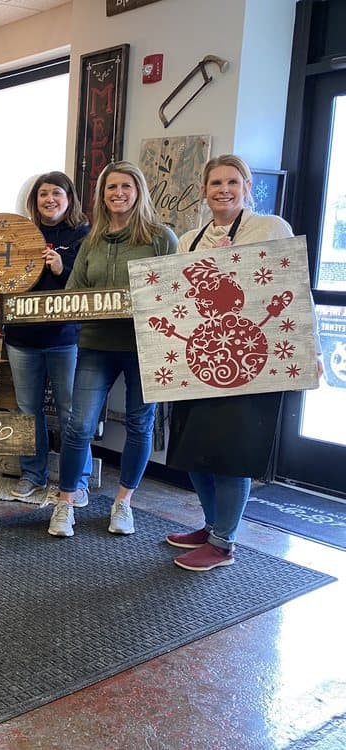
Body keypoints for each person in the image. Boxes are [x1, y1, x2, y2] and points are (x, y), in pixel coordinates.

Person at [165, 154, 296, 570]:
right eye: (216, 183)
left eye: (232, 182)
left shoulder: (271, 228)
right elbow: (177, 297)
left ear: (247, 187)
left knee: (232, 455)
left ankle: (223, 543)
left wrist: (305, 351)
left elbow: (293, 283)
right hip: (201, 361)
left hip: (250, 360)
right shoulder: (190, 240)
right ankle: (210, 526)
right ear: (204, 191)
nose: (224, 190)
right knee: (195, 452)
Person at [49, 161, 178, 538]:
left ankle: (123, 503)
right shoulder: (91, 239)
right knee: (78, 425)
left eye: (125, 186)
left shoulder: (160, 238)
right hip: (95, 345)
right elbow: (73, 292)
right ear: (101, 195)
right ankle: (66, 502)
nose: (118, 193)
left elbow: (174, 293)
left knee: (140, 425)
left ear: (138, 191)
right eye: (110, 188)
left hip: (145, 348)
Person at [4, 172, 92, 502]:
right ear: (34, 199)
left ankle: (77, 480)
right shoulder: (20, 233)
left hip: (65, 338)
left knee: (72, 413)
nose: (50, 199)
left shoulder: (84, 236)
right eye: (43, 194)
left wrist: (61, 270)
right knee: (27, 411)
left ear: (69, 199)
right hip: (21, 337)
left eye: (57, 193)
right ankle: (33, 474)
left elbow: (87, 287)